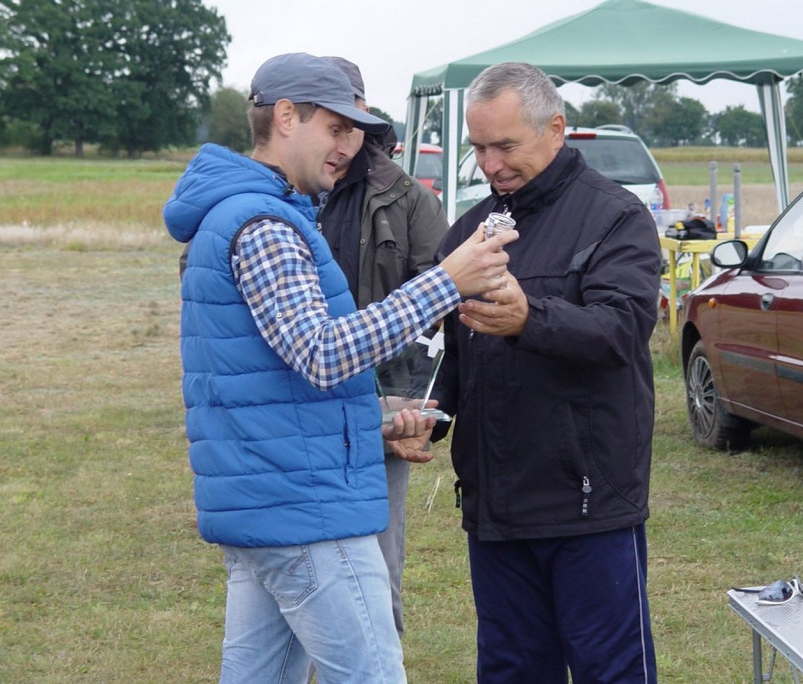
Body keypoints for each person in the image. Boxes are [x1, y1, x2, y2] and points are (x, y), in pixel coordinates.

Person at [162, 52, 516, 684]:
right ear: (286, 116)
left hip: (271, 506)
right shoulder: (265, 225)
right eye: (336, 128)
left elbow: (266, 384)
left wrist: (371, 419)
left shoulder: (247, 215)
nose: (349, 146)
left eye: (357, 131)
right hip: (307, 516)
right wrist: (447, 281)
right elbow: (322, 355)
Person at [431, 62, 661, 683]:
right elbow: (450, 354)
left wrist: (532, 319)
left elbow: (622, 329)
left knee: (610, 671)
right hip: (496, 509)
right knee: (510, 671)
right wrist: (427, 416)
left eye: (505, 145)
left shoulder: (616, 219)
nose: (490, 164)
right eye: (479, 147)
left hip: (588, 505)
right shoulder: (467, 234)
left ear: (555, 129)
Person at [316, 56, 449, 639]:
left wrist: (413, 409)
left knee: (377, 574)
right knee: (303, 576)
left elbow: (439, 316)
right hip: (301, 417)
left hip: (382, 419)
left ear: (365, 116)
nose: (340, 139)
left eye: (349, 122)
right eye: (329, 123)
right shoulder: (288, 194)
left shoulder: (412, 200)